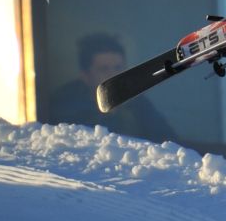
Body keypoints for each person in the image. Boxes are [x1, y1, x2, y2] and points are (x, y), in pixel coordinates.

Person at [47, 32, 177, 144]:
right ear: (85, 75)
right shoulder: (66, 105)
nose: (113, 74)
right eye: (104, 69)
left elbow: (167, 141)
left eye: (118, 68)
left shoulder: (137, 102)